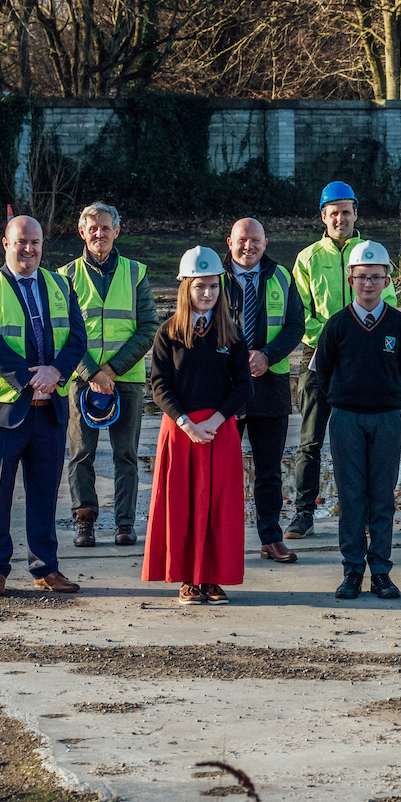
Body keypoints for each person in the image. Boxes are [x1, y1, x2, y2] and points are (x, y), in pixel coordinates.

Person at [0, 215, 89, 597]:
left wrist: (55, 373)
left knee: (44, 494)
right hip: (3, 412)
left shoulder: (60, 284)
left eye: (35, 242)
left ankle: (45, 569)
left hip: (49, 411)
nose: (29, 249)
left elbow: (77, 338)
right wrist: (31, 380)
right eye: (21, 242)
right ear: (6, 244)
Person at [143, 247, 252, 605]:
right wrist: (187, 424)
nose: (207, 294)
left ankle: (213, 578)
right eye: (200, 287)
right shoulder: (168, 333)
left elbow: (244, 387)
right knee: (182, 505)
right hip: (181, 431)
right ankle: (188, 579)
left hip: (220, 431)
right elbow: (159, 386)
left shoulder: (232, 335)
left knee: (219, 505)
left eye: (214, 287)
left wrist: (218, 421)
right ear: (186, 288)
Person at [288, 181, 397, 540]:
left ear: (355, 214)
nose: (340, 218)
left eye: (346, 211)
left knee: (363, 439)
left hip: (366, 357)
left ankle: (366, 513)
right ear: (323, 216)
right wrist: (337, 338)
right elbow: (300, 313)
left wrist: (357, 339)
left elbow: (390, 305)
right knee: (311, 439)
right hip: (318, 356)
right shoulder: (307, 259)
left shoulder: (373, 254)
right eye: (333, 213)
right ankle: (304, 511)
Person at [314, 241, 401, 601]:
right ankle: (352, 571)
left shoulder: (398, 324)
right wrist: (345, 402)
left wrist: (390, 401)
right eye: (361, 277)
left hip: (386, 418)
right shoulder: (338, 325)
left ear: (387, 280)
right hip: (346, 420)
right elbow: (324, 372)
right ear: (350, 279)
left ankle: (381, 572)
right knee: (353, 496)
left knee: (382, 497)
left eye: (375, 277)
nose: (368, 284)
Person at [58, 201, 158, 549]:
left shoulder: (136, 273)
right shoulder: (65, 276)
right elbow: (63, 332)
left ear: (117, 231)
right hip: (80, 381)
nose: (100, 234)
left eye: (106, 228)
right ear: (82, 232)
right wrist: (90, 373)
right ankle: (84, 522)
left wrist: (111, 371)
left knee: (126, 455)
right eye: (93, 228)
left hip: (125, 380)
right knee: (81, 454)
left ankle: (125, 524)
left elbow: (148, 328)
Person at [222, 218, 306, 564]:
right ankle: (222, 542)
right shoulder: (215, 279)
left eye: (255, 240)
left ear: (265, 243)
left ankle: (270, 538)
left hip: (271, 387)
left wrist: (267, 356)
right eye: (242, 240)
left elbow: (295, 325)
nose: (248, 246)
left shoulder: (282, 277)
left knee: (269, 469)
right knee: (223, 471)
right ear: (230, 242)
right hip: (226, 388)